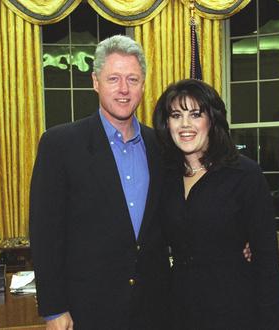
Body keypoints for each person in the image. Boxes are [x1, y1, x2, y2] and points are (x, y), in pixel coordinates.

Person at [29, 35, 170, 330]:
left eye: (132, 79)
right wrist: (54, 309)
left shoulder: (161, 145)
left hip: (154, 308)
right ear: (95, 81)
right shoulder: (60, 144)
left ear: (143, 83)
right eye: (113, 78)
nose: (123, 89)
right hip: (87, 310)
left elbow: (178, 216)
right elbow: (45, 234)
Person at [152, 79, 279, 329]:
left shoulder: (244, 174)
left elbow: (267, 260)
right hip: (177, 309)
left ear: (211, 120)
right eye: (176, 115)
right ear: (166, 123)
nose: (185, 124)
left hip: (233, 308)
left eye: (195, 114)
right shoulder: (163, 176)